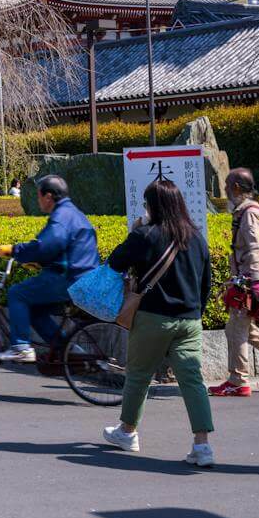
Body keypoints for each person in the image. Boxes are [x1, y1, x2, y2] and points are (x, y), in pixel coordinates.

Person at [99, 178, 217, 466]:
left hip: (153, 317)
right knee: (192, 382)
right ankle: (202, 445)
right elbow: (207, 283)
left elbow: (115, 263)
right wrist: (194, 311)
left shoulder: (146, 235)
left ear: (152, 205)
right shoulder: (197, 237)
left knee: (139, 376)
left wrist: (135, 230)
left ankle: (128, 432)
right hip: (189, 320)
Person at [0, 175, 97, 364]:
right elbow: (60, 248)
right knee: (35, 309)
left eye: (38, 196)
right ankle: (68, 349)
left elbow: (46, 245)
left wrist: (15, 250)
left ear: (48, 196)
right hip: (81, 276)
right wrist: (41, 263)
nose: (38, 200)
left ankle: (21, 347)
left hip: (68, 278)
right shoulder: (73, 213)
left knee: (17, 294)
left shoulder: (62, 216)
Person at [212, 168, 259, 398]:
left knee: (236, 330)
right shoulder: (244, 212)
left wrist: (257, 281)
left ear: (235, 188)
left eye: (226, 185)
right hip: (246, 281)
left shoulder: (249, 213)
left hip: (248, 284)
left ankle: (238, 380)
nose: (224, 190)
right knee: (247, 332)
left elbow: (256, 247)